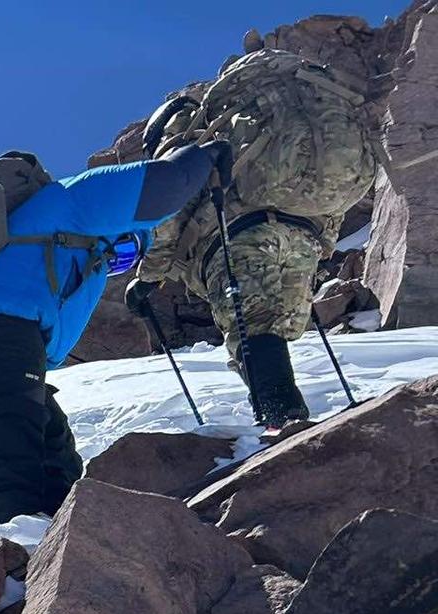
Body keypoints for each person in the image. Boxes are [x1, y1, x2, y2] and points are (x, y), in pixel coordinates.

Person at [0, 139, 231, 530]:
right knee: (13, 422)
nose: (115, 266)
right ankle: (5, 537)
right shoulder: (73, 198)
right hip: (0, 322)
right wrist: (204, 156)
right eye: (123, 252)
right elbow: (165, 184)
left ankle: (62, 524)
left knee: (49, 432)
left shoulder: (30, 224)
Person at [124, 51, 378, 430]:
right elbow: (328, 202)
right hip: (303, 235)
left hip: (241, 238)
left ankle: (282, 418)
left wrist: (147, 278)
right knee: (276, 331)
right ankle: (290, 417)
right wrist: (321, 245)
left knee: (254, 329)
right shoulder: (255, 136)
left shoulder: (187, 148)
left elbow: (168, 217)